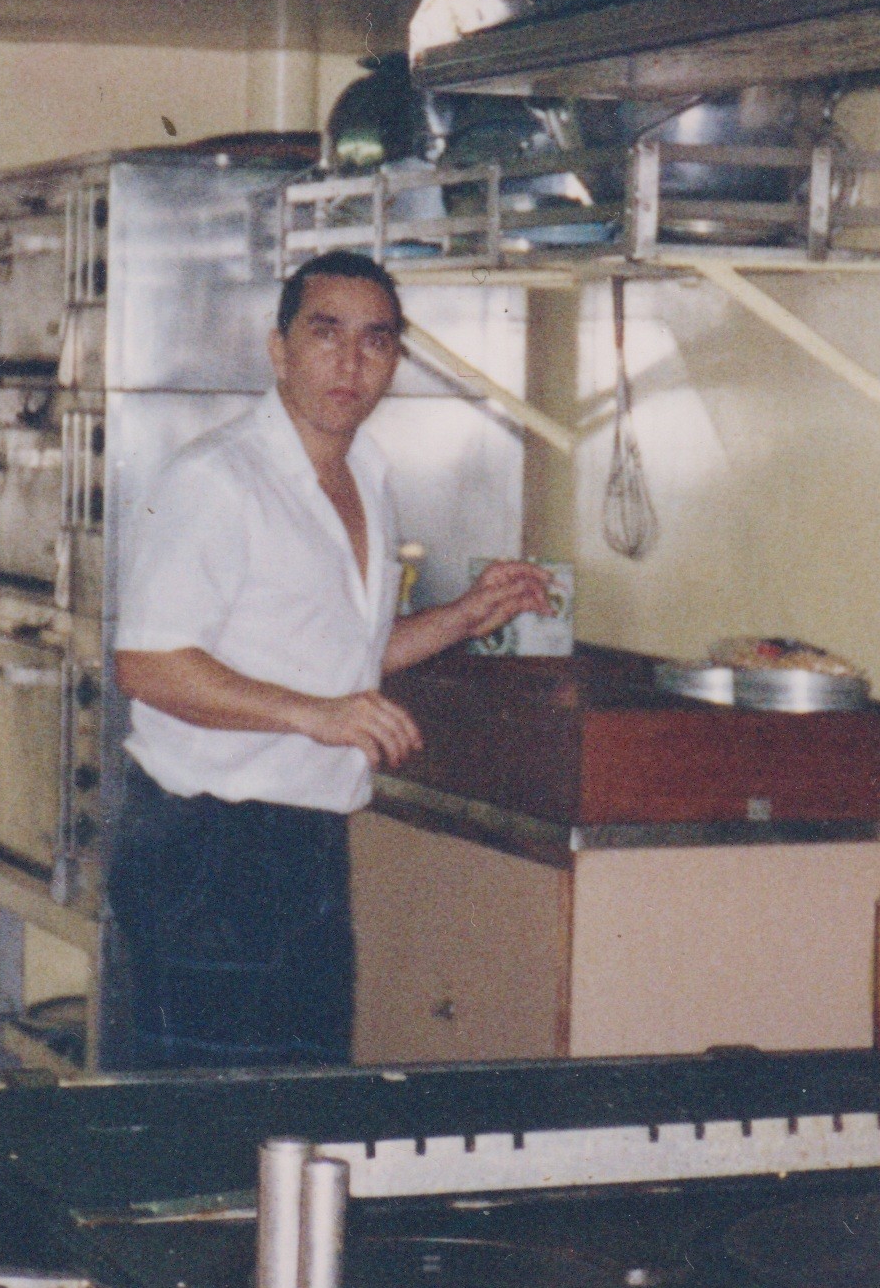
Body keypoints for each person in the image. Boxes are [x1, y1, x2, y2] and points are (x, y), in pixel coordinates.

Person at [107, 249, 554, 1067]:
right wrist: (315, 716)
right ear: (278, 350)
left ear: (395, 360)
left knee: (306, 1101)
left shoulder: (366, 479)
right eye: (326, 333)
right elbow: (149, 664)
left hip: (308, 843)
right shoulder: (217, 478)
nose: (351, 362)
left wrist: (463, 617)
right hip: (207, 846)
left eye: (375, 341)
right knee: (210, 1116)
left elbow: (344, 659)